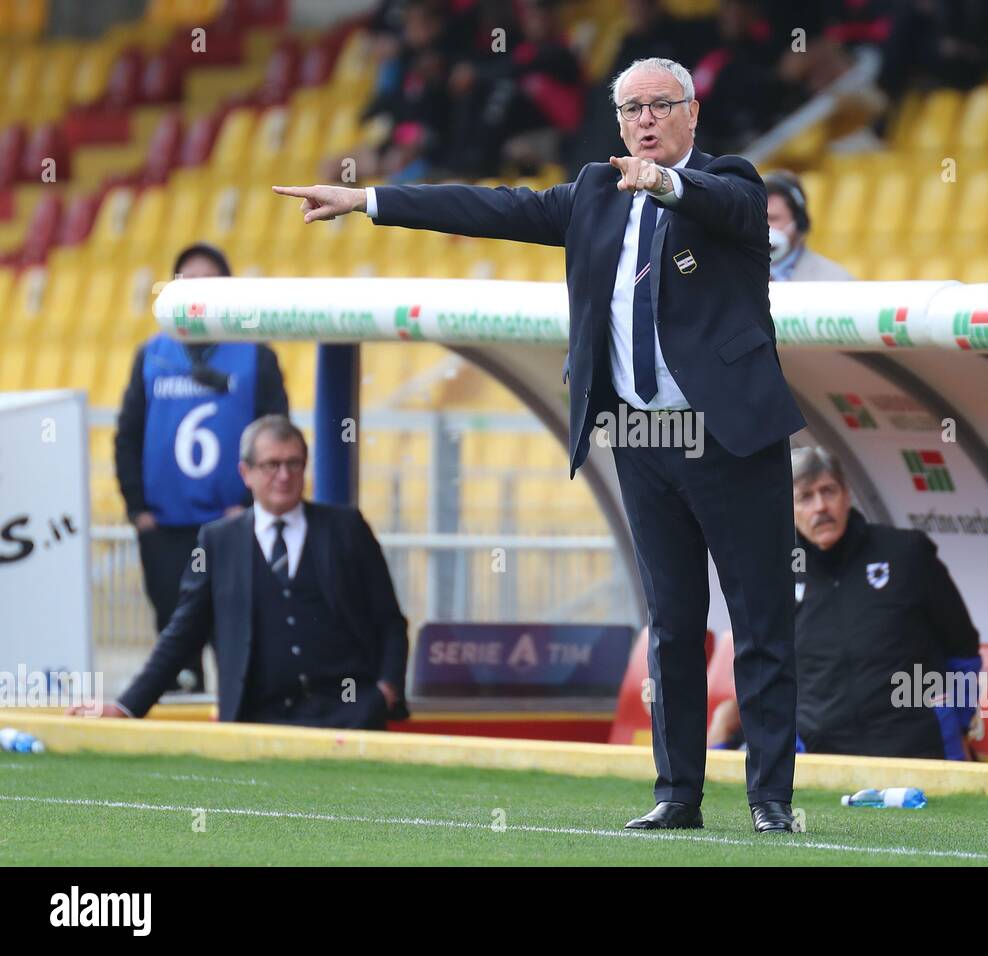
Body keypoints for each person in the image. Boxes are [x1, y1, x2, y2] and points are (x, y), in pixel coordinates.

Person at [271, 56, 806, 833]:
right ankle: (678, 794)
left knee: (760, 625)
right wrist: (369, 200)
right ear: (617, 121)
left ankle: (770, 801)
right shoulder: (593, 193)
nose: (646, 120)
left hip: (730, 440)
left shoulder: (733, 182)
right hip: (643, 438)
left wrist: (665, 185)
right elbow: (492, 208)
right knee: (672, 626)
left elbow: (727, 207)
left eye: (661, 105)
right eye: (631, 109)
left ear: (693, 112)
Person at [73, 416, 410, 729]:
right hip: (256, 719)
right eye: (271, 465)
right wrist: (126, 706)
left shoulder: (347, 528)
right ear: (245, 472)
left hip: (349, 715)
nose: (284, 475)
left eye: (294, 463)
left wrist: (385, 691)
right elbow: (183, 632)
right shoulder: (217, 541)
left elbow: (389, 620)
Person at [114, 242, 288, 693]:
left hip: (233, 528)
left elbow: (279, 433)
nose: (196, 293)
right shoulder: (151, 355)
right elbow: (128, 435)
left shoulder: (255, 355)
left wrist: (252, 505)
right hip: (165, 531)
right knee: (176, 655)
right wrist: (139, 511)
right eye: (186, 283)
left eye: (208, 284)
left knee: (239, 642)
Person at [788, 446, 981, 758]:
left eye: (828, 491)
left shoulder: (906, 553)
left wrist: (955, 721)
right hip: (825, 758)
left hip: (920, 749)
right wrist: (795, 739)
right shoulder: (776, 575)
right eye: (805, 498)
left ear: (847, 495)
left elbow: (963, 648)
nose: (821, 506)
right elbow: (769, 669)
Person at [763, 170, 854, 281]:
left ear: (799, 222)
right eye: (755, 218)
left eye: (773, 219)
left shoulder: (837, 281)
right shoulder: (736, 274)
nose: (761, 226)